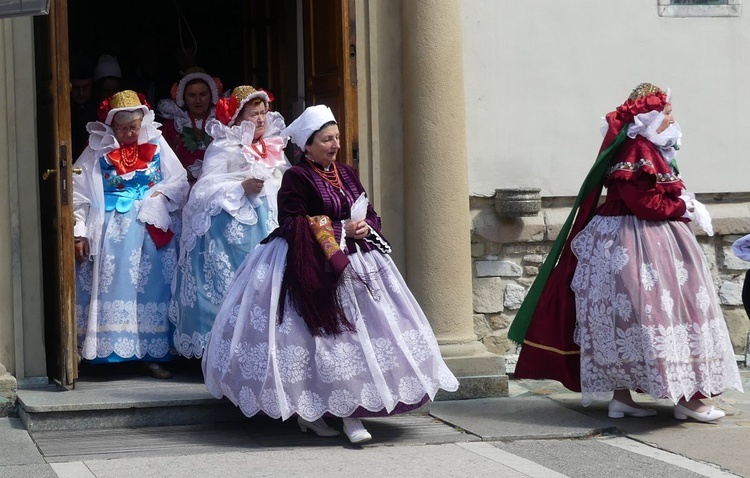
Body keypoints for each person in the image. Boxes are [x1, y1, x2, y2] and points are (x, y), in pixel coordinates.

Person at [201, 105, 459, 444]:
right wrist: (339, 229)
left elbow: (371, 212)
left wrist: (366, 226)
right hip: (310, 268)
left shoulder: (348, 173)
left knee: (360, 339)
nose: (335, 144)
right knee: (328, 341)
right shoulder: (297, 177)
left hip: (358, 265)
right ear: (307, 146)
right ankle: (331, 414)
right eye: (326, 139)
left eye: (336, 137)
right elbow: (290, 221)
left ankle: (350, 412)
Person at [508, 83, 743, 422]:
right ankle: (685, 399)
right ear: (650, 114)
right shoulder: (638, 150)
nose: (672, 119)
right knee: (663, 311)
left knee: (630, 317)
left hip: (626, 237)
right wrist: (683, 206)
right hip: (639, 240)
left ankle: (625, 399)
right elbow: (644, 203)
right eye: (667, 112)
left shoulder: (646, 147)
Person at [72, 90, 189, 379]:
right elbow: (77, 192)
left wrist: (158, 196)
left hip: (151, 228)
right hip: (114, 231)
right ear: (111, 126)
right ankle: (111, 352)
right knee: (117, 285)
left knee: (153, 288)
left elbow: (178, 180)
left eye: (133, 127)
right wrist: (79, 231)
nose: (129, 133)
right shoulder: (97, 149)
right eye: (123, 128)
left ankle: (153, 355)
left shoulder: (156, 143)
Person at [170, 85, 289, 361]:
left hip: (269, 229)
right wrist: (240, 188)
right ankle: (222, 352)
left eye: (263, 113)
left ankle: (263, 350)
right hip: (231, 238)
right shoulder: (225, 145)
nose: (260, 119)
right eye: (253, 114)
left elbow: (286, 179)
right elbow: (203, 190)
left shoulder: (272, 146)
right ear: (237, 117)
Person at [157, 68, 223, 182]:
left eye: (203, 94)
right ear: (184, 97)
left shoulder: (221, 125)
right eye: (192, 95)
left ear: (211, 95)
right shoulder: (172, 127)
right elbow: (161, 162)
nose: (198, 101)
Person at [70, 54, 97, 160]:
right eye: (76, 88)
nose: (81, 93)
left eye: (85, 87)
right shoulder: (63, 111)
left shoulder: (99, 110)